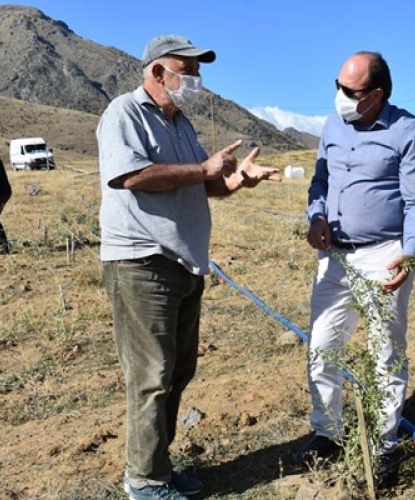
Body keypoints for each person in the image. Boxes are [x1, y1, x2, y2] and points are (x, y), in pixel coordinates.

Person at [97, 34, 280, 500]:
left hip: (184, 263)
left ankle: (158, 464)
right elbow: (132, 175)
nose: (196, 80)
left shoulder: (182, 124)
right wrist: (203, 170)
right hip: (142, 263)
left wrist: (237, 180)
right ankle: (144, 481)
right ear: (159, 72)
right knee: (151, 377)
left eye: (198, 71)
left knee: (177, 372)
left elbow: (202, 186)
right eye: (188, 70)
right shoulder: (125, 113)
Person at [300, 51, 415, 489]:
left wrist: (410, 253)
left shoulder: (408, 132)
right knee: (322, 344)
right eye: (336, 86)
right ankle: (328, 433)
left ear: (376, 94)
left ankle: (382, 446)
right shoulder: (332, 126)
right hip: (335, 255)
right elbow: (319, 182)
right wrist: (315, 216)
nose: (339, 97)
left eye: (350, 91)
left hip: (384, 254)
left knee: (384, 351)